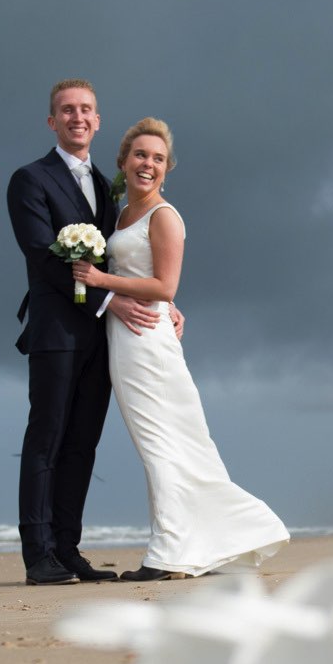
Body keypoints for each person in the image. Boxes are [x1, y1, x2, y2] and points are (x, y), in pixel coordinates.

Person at [72, 118, 288, 580]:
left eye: (158, 159)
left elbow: (165, 282)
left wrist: (102, 280)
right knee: (166, 444)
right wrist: (163, 300)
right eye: (140, 155)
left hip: (147, 343)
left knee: (160, 445)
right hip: (126, 341)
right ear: (123, 161)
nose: (147, 164)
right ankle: (200, 544)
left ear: (167, 170)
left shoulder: (164, 216)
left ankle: (168, 553)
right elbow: (156, 279)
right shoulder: (121, 213)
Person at [7, 79, 180, 586]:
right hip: (57, 331)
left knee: (83, 444)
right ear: (52, 122)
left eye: (86, 110)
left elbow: (129, 255)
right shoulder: (29, 180)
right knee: (47, 438)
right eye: (66, 110)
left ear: (97, 121)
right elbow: (42, 255)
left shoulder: (110, 187)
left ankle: (68, 549)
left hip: (105, 337)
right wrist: (110, 299)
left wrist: (166, 301)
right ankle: (38, 554)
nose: (77, 117)